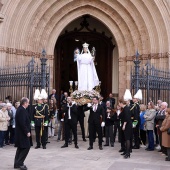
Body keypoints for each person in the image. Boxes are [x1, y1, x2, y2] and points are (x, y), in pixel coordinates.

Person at [14, 97, 31, 170]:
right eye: (28, 102)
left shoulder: (21, 109)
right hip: (22, 133)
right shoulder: (21, 110)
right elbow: (22, 123)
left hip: (20, 132)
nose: (29, 104)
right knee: (26, 147)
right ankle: (20, 163)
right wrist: (27, 131)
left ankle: (16, 163)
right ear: (25, 103)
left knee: (20, 148)